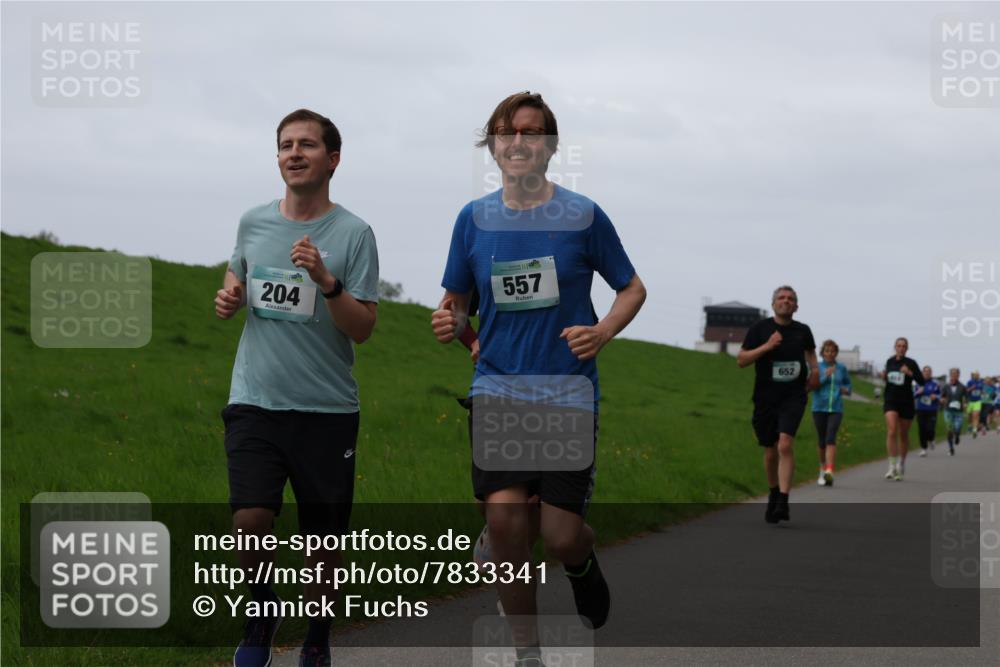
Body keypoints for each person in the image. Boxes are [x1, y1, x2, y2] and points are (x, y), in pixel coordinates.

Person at [431, 91, 646, 667]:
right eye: (506, 132)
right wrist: (452, 322)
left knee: (559, 535)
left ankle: (580, 562)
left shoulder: (582, 215)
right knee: (505, 525)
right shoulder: (472, 219)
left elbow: (632, 288)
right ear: (493, 145)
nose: (518, 141)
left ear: (550, 146)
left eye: (530, 132)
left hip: (567, 393)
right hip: (497, 388)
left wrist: (602, 331)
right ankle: (527, 652)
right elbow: (457, 303)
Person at [215, 109, 379, 667]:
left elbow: (363, 328)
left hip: (326, 410)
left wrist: (326, 282)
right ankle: (261, 614)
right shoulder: (253, 222)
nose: (294, 153)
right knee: (250, 520)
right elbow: (238, 271)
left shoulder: (354, 234)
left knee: (322, 545)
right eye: (286, 145)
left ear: (332, 160)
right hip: (255, 400)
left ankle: (317, 635)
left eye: (306, 145)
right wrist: (231, 294)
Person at [737, 286, 819, 522]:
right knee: (770, 449)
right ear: (773, 304)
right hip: (765, 398)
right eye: (781, 298)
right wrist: (767, 346)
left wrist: (815, 371)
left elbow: (811, 354)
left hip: (794, 396)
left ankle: (783, 500)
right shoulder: (760, 329)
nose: (786, 301)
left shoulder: (803, 331)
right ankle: (773, 492)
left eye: (791, 299)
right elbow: (741, 360)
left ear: (796, 306)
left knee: (784, 444)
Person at [880, 337, 925, 481]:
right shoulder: (890, 361)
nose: (901, 348)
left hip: (906, 401)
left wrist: (910, 373)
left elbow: (921, 381)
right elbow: (889, 379)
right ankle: (891, 466)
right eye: (898, 345)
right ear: (895, 347)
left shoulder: (911, 363)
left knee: (903, 434)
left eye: (903, 346)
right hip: (891, 400)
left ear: (907, 348)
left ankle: (901, 463)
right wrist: (884, 377)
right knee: (892, 430)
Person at [811, 339, 851, 486]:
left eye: (833, 351)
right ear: (822, 353)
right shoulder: (817, 367)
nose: (830, 353)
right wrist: (825, 376)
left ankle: (829, 471)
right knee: (822, 441)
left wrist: (846, 389)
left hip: (836, 408)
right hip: (819, 408)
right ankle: (822, 469)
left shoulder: (841, 368)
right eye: (827, 351)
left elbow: (848, 384)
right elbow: (812, 385)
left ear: (836, 353)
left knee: (830, 438)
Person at [914, 366, 942, 457]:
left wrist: (936, 397)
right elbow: (913, 395)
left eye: (928, 371)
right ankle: (923, 449)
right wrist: (918, 392)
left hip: (932, 410)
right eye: (925, 371)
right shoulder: (918, 383)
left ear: (931, 373)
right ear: (922, 373)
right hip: (920, 409)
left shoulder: (935, 384)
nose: (927, 373)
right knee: (922, 429)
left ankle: (931, 439)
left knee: (930, 428)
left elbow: (941, 395)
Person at [941, 368, 967, 455]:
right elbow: (942, 396)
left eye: (955, 374)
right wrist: (942, 400)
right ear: (950, 375)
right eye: (952, 374)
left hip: (958, 412)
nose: (954, 375)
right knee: (949, 430)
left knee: (957, 428)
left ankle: (957, 435)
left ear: (958, 375)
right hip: (948, 411)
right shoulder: (946, 386)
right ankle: (951, 448)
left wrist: (965, 403)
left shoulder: (962, 387)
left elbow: (966, 397)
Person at [966, 371, 985, 437]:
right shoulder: (969, 382)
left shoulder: (980, 382)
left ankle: (974, 430)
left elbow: (981, 390)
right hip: (970, 401)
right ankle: (972, 426)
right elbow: (966, 391)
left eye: (978, 375)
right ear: (973, 375)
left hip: (978, 401)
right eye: (976, 375)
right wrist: (971, 388)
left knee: (975, 415)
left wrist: (983, 393)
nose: (977, 376)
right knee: (969, 416)